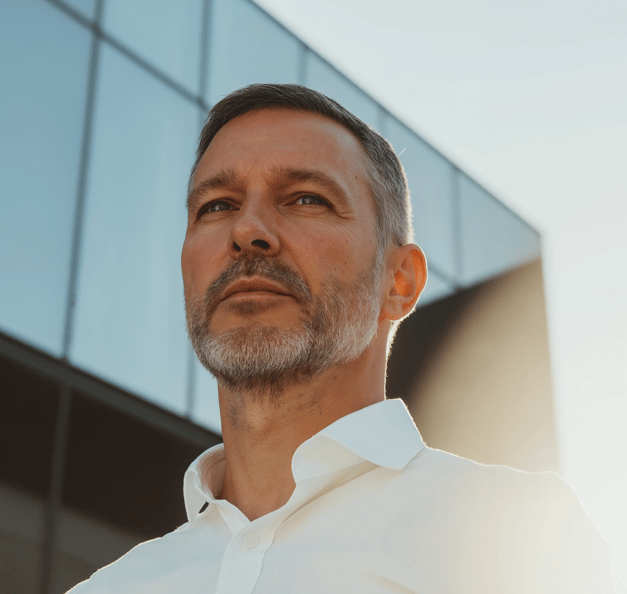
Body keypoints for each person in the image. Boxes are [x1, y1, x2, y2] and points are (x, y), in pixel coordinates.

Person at [67, 83, 620, 593]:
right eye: (217, 206)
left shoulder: (522, 542)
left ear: (399, 281)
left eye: (306, 198)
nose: (247, 231)